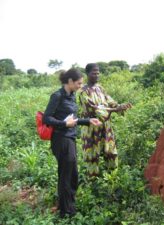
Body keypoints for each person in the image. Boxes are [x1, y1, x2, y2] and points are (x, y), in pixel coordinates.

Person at [43, 68, 101, 218]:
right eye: (78, 83)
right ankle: (66, 211)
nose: (80, 86)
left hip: (70, 138)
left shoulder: (71, 95)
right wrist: (64, 124)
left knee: (72, 174)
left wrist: (88, 121)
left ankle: (69, 204)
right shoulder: (57, 96)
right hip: (60, 139)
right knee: (66, 175)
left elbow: (72, 120)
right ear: (69, 82)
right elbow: (46, 119)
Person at [78, 63, 131, 176]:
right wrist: (116, 109)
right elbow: (95, 109)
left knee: (111, 152)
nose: (97, 75)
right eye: (94, 73)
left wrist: (120, 106)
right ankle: (92, 184)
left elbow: (109, 101)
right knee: (92, 156)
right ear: (87, 74)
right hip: (91, 128)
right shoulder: (83, 92)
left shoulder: (100, 88)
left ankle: (112, 180)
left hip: (105, 127)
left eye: (98, 73)